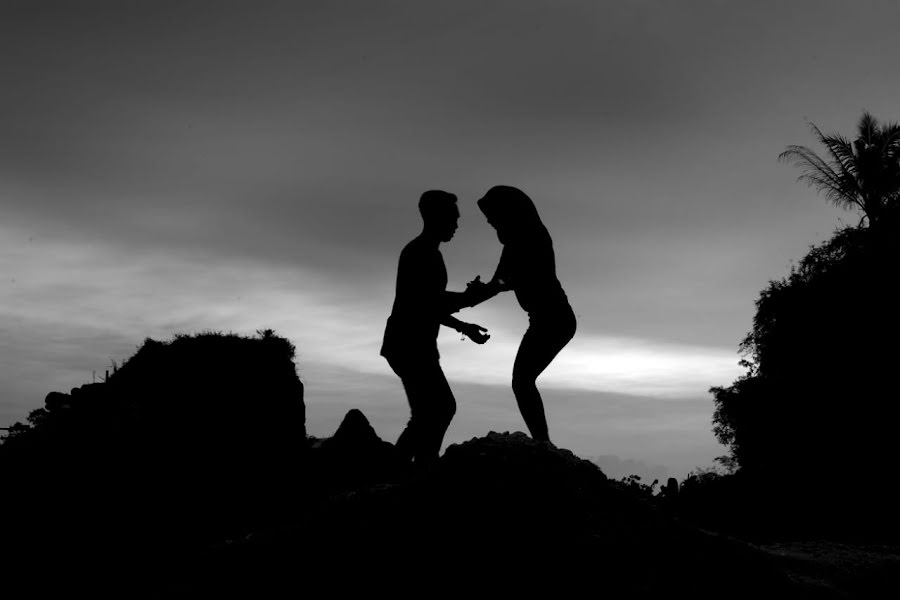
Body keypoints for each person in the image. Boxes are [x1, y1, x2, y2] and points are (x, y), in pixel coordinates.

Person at [381, 190, 490, 466]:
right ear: (436, 217)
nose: (456, 225)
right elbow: (428, 302)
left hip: (415, 345)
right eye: (452, 219)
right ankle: (416, 466)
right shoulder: (419, 253)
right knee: (440, 408)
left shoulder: (428, 253)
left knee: (430, 411)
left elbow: (432, 305)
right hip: (409, 345)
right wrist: (467, 301)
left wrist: (464, 324)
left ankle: (410, 467)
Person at [463, 185, 576, 443]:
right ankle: (542, 442)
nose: (490, 222)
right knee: (522, 381)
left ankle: (542, 443)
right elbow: (500, 282)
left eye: (492, 216)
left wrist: (475, 295)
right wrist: (480, 292)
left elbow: (509, 280)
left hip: (554, 319)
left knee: (522, 381)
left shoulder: (531, 237)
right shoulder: (517, 241)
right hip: (545, 319)